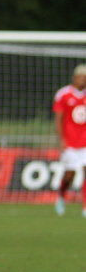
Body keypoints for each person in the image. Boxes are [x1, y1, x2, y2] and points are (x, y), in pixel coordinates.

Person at [51, 64, 86, 216]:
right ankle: (61, 196)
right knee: (69, 174)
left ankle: (85, 206)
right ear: (74, 77)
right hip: (70, 142)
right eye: (80, 77)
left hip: (85, 142)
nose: (82, 80)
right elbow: (58, 118)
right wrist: (61, 139)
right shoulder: (63, 94)